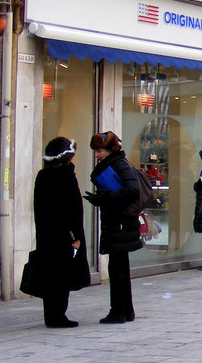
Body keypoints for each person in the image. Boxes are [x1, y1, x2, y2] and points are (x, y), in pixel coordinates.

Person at [32, 137, 91, 327]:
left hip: (46, 234)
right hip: (64, 235)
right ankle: (57, 316)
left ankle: (51, 315)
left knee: (51, 275)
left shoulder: (43, 176)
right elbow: (72, 210)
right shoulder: (65, 177)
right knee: (62, 275)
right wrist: (75, 236)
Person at [84, 131, 142, 323]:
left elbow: (132, 190)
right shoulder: (113, 164)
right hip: (118, 221)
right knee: (119, 267)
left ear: (109, 150)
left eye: (99, 151)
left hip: (120, 223)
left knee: (118, 269)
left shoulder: (119, 165)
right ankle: (125, 311)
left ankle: (118, 311)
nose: (96, 155)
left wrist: (105, 197)